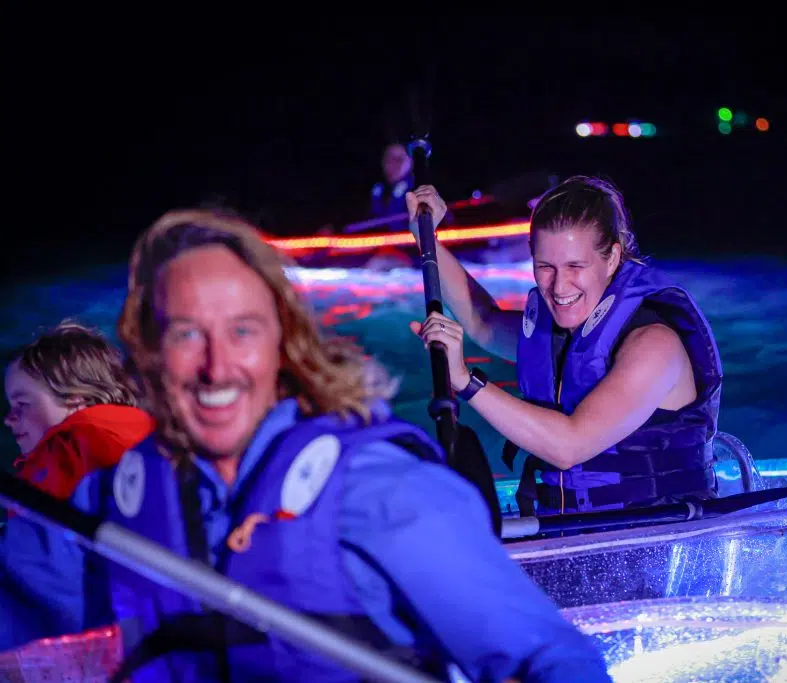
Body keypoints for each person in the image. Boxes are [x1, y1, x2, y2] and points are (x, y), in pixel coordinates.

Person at [64, 209, 610, 682]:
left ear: (285, 343)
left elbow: (555, 660)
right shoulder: (116, 499)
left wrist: (467, 381)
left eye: (243, 331)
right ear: (148, 351)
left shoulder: (379, 489)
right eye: (185, 333)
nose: (215, 366)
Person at [405, 176, 723, 517]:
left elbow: (568, 445)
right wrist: (426, 236)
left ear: (613, 257)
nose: (558, 286)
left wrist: (466, 381)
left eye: (575, 266)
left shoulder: (654, 345)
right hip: (572, 530)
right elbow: (483, 322)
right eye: (545, 267)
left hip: (656, 540)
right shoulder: (557, 334)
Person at [1, 321, 155, 648]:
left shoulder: (72, 444)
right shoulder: (151, 443)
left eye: (22, 404)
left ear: (75, 399)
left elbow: (43, 579)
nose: (9, 419)